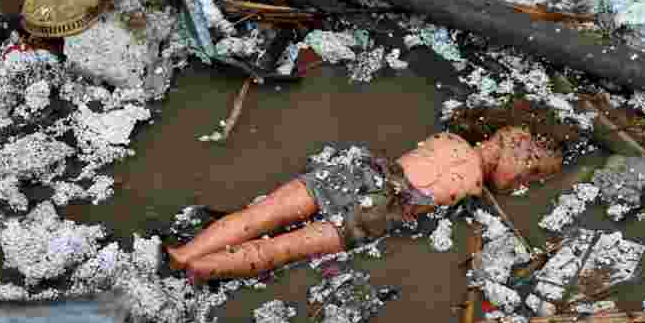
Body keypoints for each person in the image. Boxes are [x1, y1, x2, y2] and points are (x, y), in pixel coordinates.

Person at [168, 122, 564, 282]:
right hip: (382, 209)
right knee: (284, 247)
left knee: (264, 213)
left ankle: (188, 253)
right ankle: (204, 269)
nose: (525, 180)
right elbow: (424, 198)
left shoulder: (448, 138)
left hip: (365, 173)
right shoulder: (473, 184)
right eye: (530, 170)